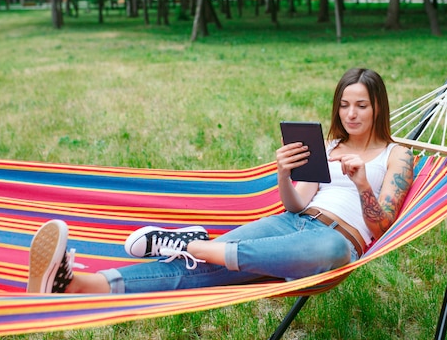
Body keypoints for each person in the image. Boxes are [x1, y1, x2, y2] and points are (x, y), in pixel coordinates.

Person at [27, 68, 414, 294]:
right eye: (344, 105)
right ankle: (77, 283)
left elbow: (382, 226)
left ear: (378, 106)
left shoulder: (396, 154)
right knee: (197, 267)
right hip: (293, 223)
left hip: (338, 239)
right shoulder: (329, 145)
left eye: (361, 105)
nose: (351, 113)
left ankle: (190, 243)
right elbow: (296, 205)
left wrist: (362, 182)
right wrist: (283, 172)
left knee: (326, 248)